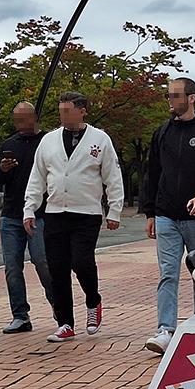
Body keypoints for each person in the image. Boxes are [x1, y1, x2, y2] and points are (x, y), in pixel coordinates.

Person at [24, 91, 124, 343]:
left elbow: (112, 176)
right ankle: (65, 322)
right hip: (56, 211)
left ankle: (93, 300)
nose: (63, 115)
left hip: (86, 213)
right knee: (57, 269)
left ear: (82, 110)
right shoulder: (48, 140)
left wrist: (114, 210)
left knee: (81, 262)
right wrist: (29, 208)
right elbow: (37, 177)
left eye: (68, 110)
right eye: (60, 111)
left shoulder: (100, 139)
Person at [140, 77, 195, 355]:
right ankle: (165, 329)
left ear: (192, 98)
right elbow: (152, 173)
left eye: (175, 95)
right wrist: (150, 211)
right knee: (168, 273)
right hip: (167, 214)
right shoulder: (162, 132)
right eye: (168, 96)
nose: (170, 101)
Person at [0, 101, 55, 334]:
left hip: (41, 213)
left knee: (42, 261)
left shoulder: (48, 141)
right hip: (11, 214)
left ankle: (59, 307)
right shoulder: (9, 144)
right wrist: (4, 169)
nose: (19, 124)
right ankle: (20, 315)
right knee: (12, 266)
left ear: (34, 117)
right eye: (15, 119)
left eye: (23, 119)